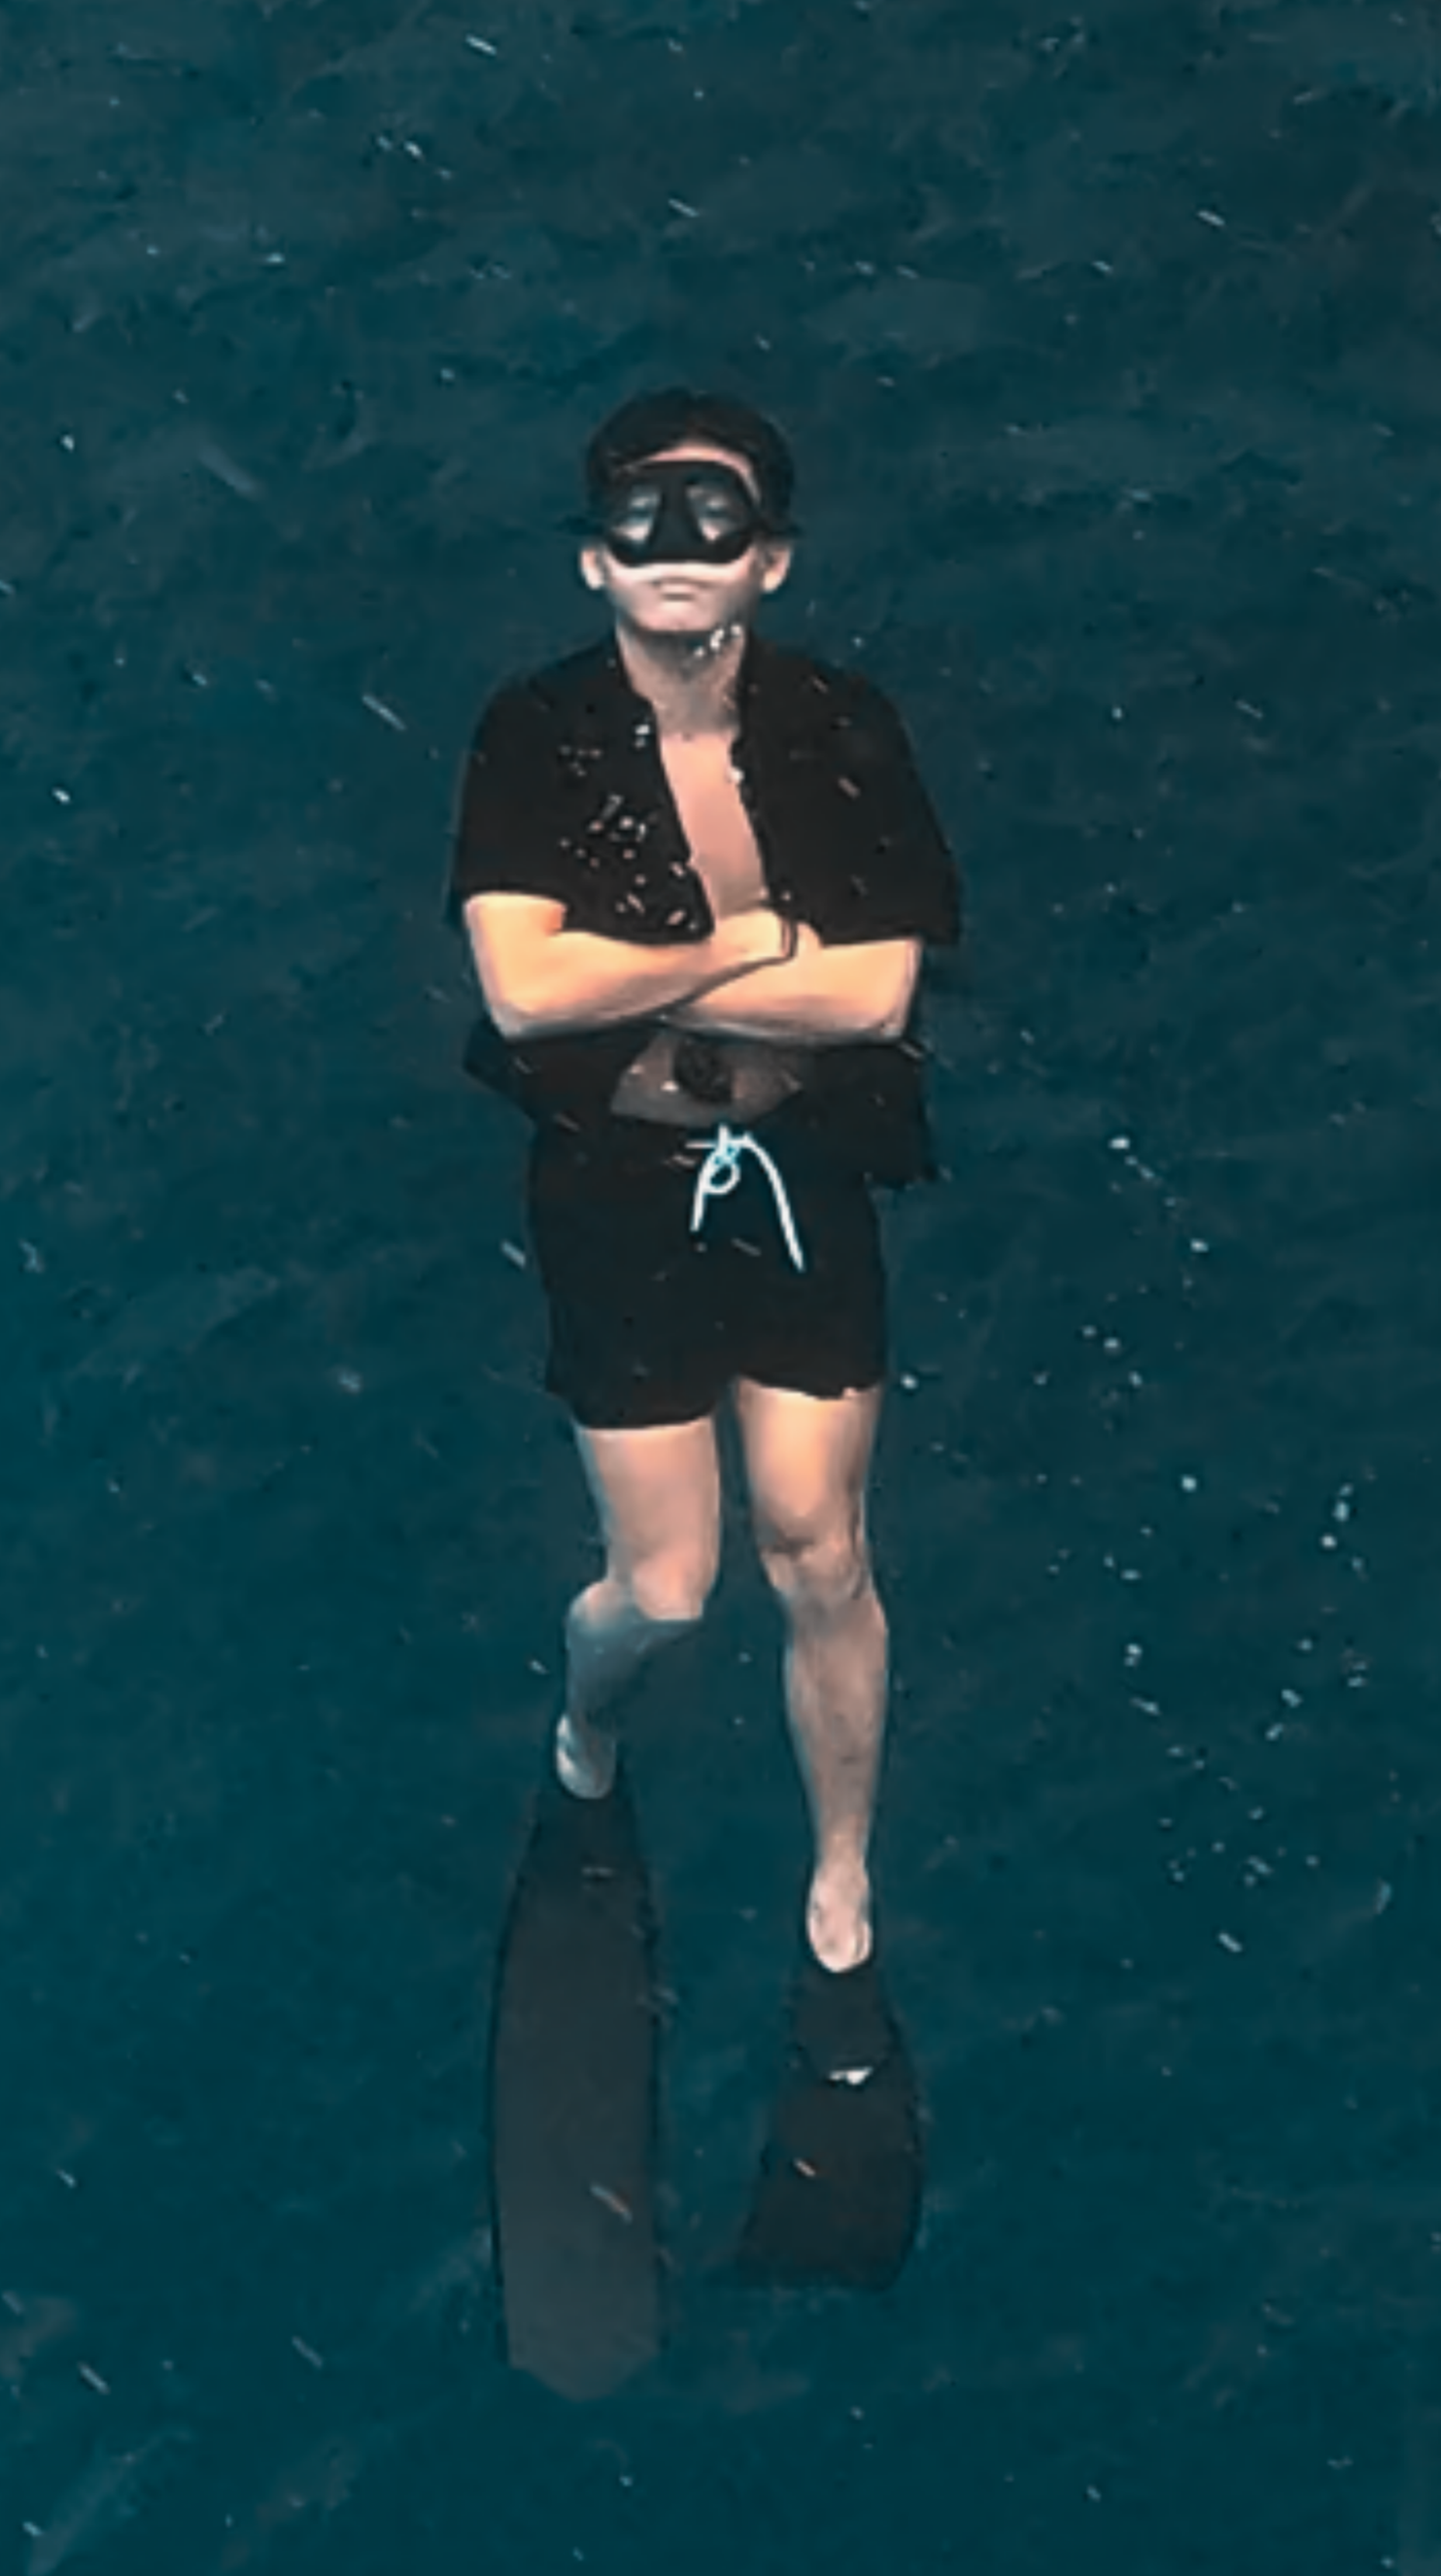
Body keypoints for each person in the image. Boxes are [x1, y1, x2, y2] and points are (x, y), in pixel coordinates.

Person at [451, 393, 960, 1983]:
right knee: (664, 1589)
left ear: (772, 562)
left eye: (714, 523)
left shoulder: (839, 727)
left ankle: (840, 1868)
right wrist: (739, 947)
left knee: (820, 1548)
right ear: (593, 561)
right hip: (617, 1183)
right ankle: (586, 1723)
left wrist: (631, 974)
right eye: (641, 523)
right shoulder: (535, 735)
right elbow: (521, 995)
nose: (676, 551)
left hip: (799, 1172)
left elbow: (872, 994)